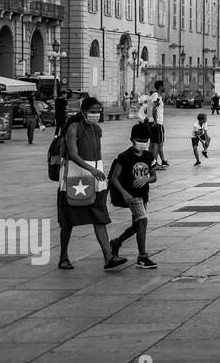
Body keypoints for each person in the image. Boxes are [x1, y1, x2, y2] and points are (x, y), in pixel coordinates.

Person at [57, 97, 126, 271]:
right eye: (93, 111)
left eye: (98, 111)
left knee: (99, 218)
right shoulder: (73, 128)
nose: (96, 114)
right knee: (68, 220)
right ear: (83, 112)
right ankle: (63, 257)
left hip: (96, 181)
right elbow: (73, 154)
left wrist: (96, 171)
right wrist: (91, 169)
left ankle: (108, 257)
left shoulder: (97, 129)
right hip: (74, 178)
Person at [108, 124, 158, 269]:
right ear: (132, 139)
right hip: (132, 195)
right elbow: (114, 178)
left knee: (137, 225)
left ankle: (117, 242)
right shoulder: (124, 157)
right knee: (143, 221)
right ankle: (142, 257)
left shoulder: (149, 156)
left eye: (145, 140)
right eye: (140, 140)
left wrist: (146, 179)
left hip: (143, 195)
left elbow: (154, 176)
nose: (143, 143)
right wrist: (125, 194)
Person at [146, 79, 169, 168]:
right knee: (156, 143)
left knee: (152, 143)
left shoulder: (152, 96)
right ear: (160, 87)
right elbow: (154, 109)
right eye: (164, 85)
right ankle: (154, 164)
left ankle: (149, 162)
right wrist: (155, 120)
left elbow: (148, 109)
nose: (165, 87)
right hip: (157, 123)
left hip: (152, 122)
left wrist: (149, 120)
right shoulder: (157, 96)